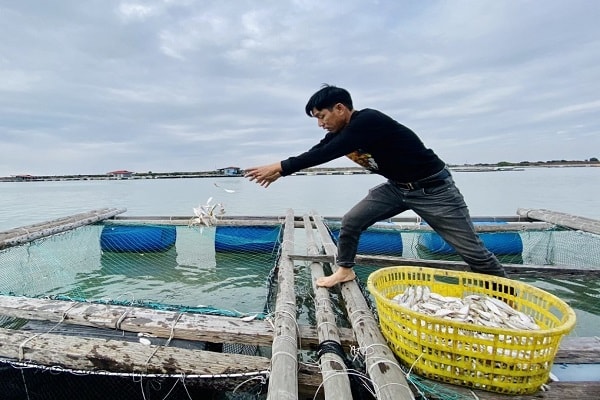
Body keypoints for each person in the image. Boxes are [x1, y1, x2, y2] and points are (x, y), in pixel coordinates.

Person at [244, 84, 507, 287]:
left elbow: (328, 153)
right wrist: (281, 172)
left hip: (434, 190)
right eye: (315, 119)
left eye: (322, 116)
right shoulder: (339, 133)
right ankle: (344, 270)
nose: (320, 123)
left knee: (474, 253)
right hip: (398, 188)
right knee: (352, 221)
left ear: (340, 108)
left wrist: (280, 165)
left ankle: (508, 301)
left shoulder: (368, 121)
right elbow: (318, 150)